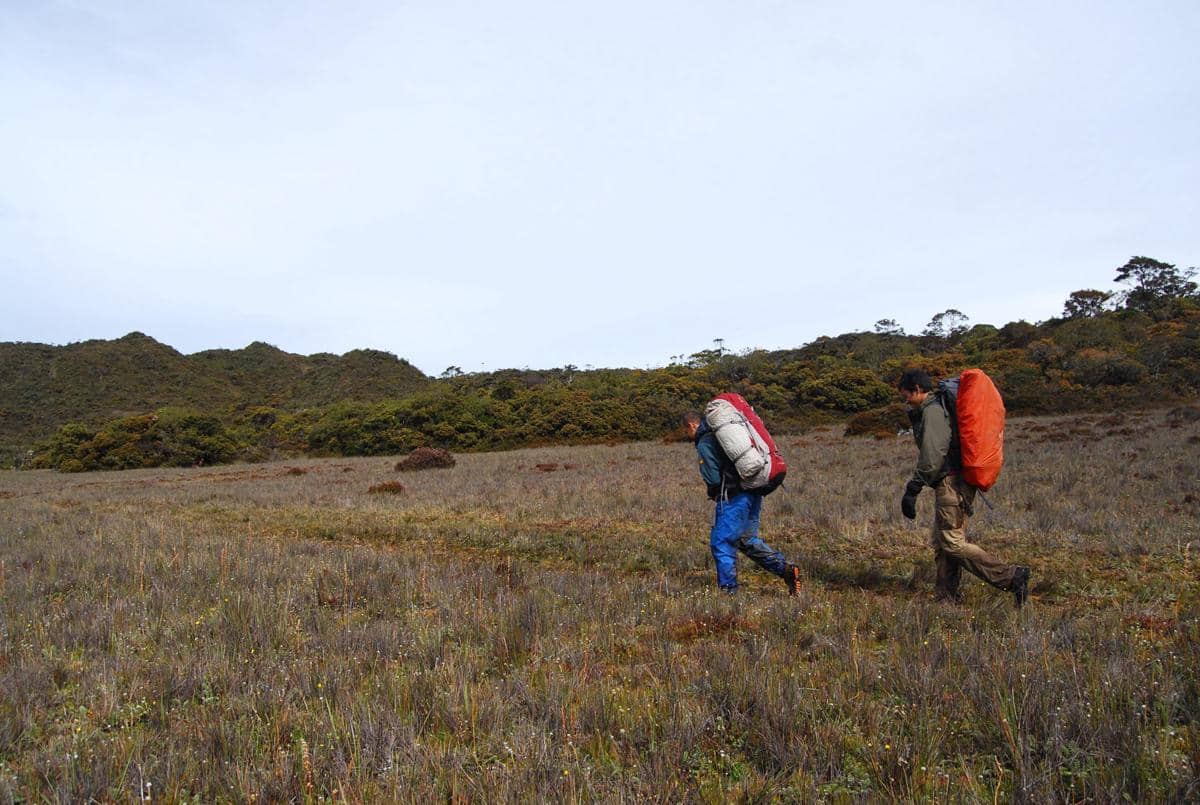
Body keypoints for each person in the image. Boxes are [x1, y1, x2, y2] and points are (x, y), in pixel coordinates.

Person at [897, 369, 1031, 607]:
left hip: (952, 483)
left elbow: (933, 453)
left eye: (906, 394)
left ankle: (1011, 577)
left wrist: (914, 487)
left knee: (952, 542)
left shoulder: (933, 411)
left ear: (917, 389)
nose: (905, 400)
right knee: (943, 543)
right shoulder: (935, 408)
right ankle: (946, 596)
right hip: (953, 482)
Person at [684, 411, 802, 595]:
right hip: (753, 490)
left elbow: (713, 477)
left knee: (721, 541)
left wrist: (714, 492)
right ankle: (786, 570)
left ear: (692, 425)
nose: (688, 436)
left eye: (687, 431)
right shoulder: (726, 434)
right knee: (746, 540)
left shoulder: (705, 440)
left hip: (733, 496)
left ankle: (728, 593)